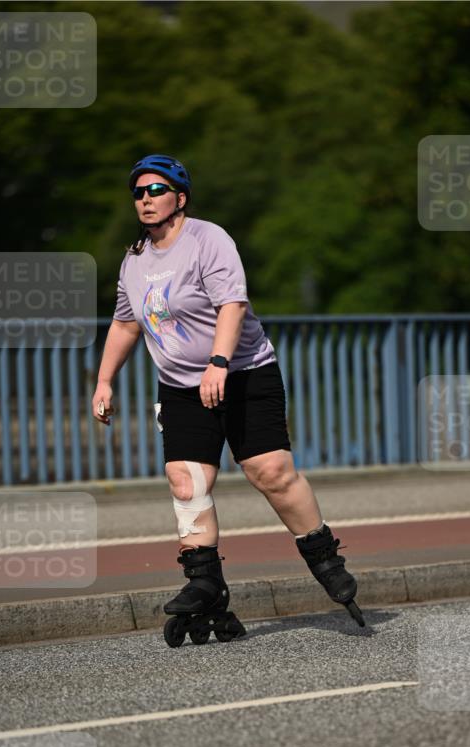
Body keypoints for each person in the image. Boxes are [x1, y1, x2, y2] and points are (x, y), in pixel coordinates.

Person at [93, 153, 364, 645]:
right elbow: (126, 322)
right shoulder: (134, 259)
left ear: (180, 197)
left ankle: (324, 557)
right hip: (181, 386)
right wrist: (105, 381)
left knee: (270, 471)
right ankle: (205, 583)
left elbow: (231, 304)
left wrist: (218, 362)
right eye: (138, 192)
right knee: (186, 480)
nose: (145, 199)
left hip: (244, 374)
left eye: (156, 190)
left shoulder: (207, 239)